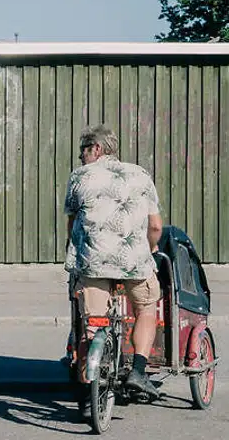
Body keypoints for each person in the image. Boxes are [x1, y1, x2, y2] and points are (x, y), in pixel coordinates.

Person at [63, 124, 164, 399]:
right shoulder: (141, 175)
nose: (80, 158)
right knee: (145, 307)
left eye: (82, 151)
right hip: (135, 262)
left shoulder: (79, 177)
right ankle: (138, 371)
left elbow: (73, 226)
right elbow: (155, 227)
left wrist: (72, 254)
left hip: (93, 263)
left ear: (96, 149)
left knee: (91, 325)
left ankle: (87, 398)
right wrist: (148, 250)